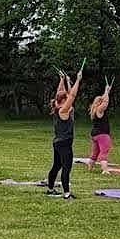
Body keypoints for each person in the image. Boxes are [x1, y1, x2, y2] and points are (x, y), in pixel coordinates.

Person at [46, 68, 80, 199]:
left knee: (56, 166)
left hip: (58, 142)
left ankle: (50, 188)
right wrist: (78, 79)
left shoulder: (56, 105)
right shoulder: (63, 110)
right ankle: (67, 193)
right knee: (66, 168)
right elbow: (72, 96)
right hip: (65, 143)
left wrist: (62, 80)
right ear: (63, 101)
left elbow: (61, 93)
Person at [87, 80, 112, 174]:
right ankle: (105, 170)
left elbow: (105, 101)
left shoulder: (94, 110)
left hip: (95, 134)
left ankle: (90, 167)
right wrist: (106, 91)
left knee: (95, 152)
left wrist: (107, 92)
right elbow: (105, 103)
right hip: (102, 134)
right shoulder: (99, 110)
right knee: (104, 151)